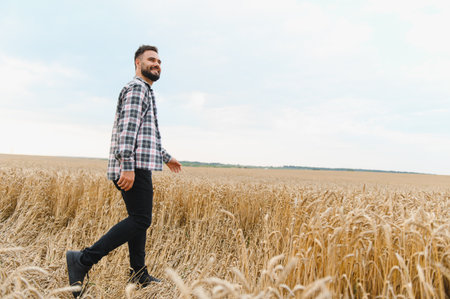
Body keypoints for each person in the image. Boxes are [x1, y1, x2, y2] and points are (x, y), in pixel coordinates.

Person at [66, 45, 182, 298]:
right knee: (141, 219)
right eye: (151, 59)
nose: (157, 64)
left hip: (139, 165)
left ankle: (138, 273)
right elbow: (127, 132)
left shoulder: (145, 92)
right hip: (133, 167)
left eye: (159, 61)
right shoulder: (137, 89)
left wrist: (166, 157)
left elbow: (144, 135)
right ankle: (83, 260)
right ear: (137, 63)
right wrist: (127, 166)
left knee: (138, 219)